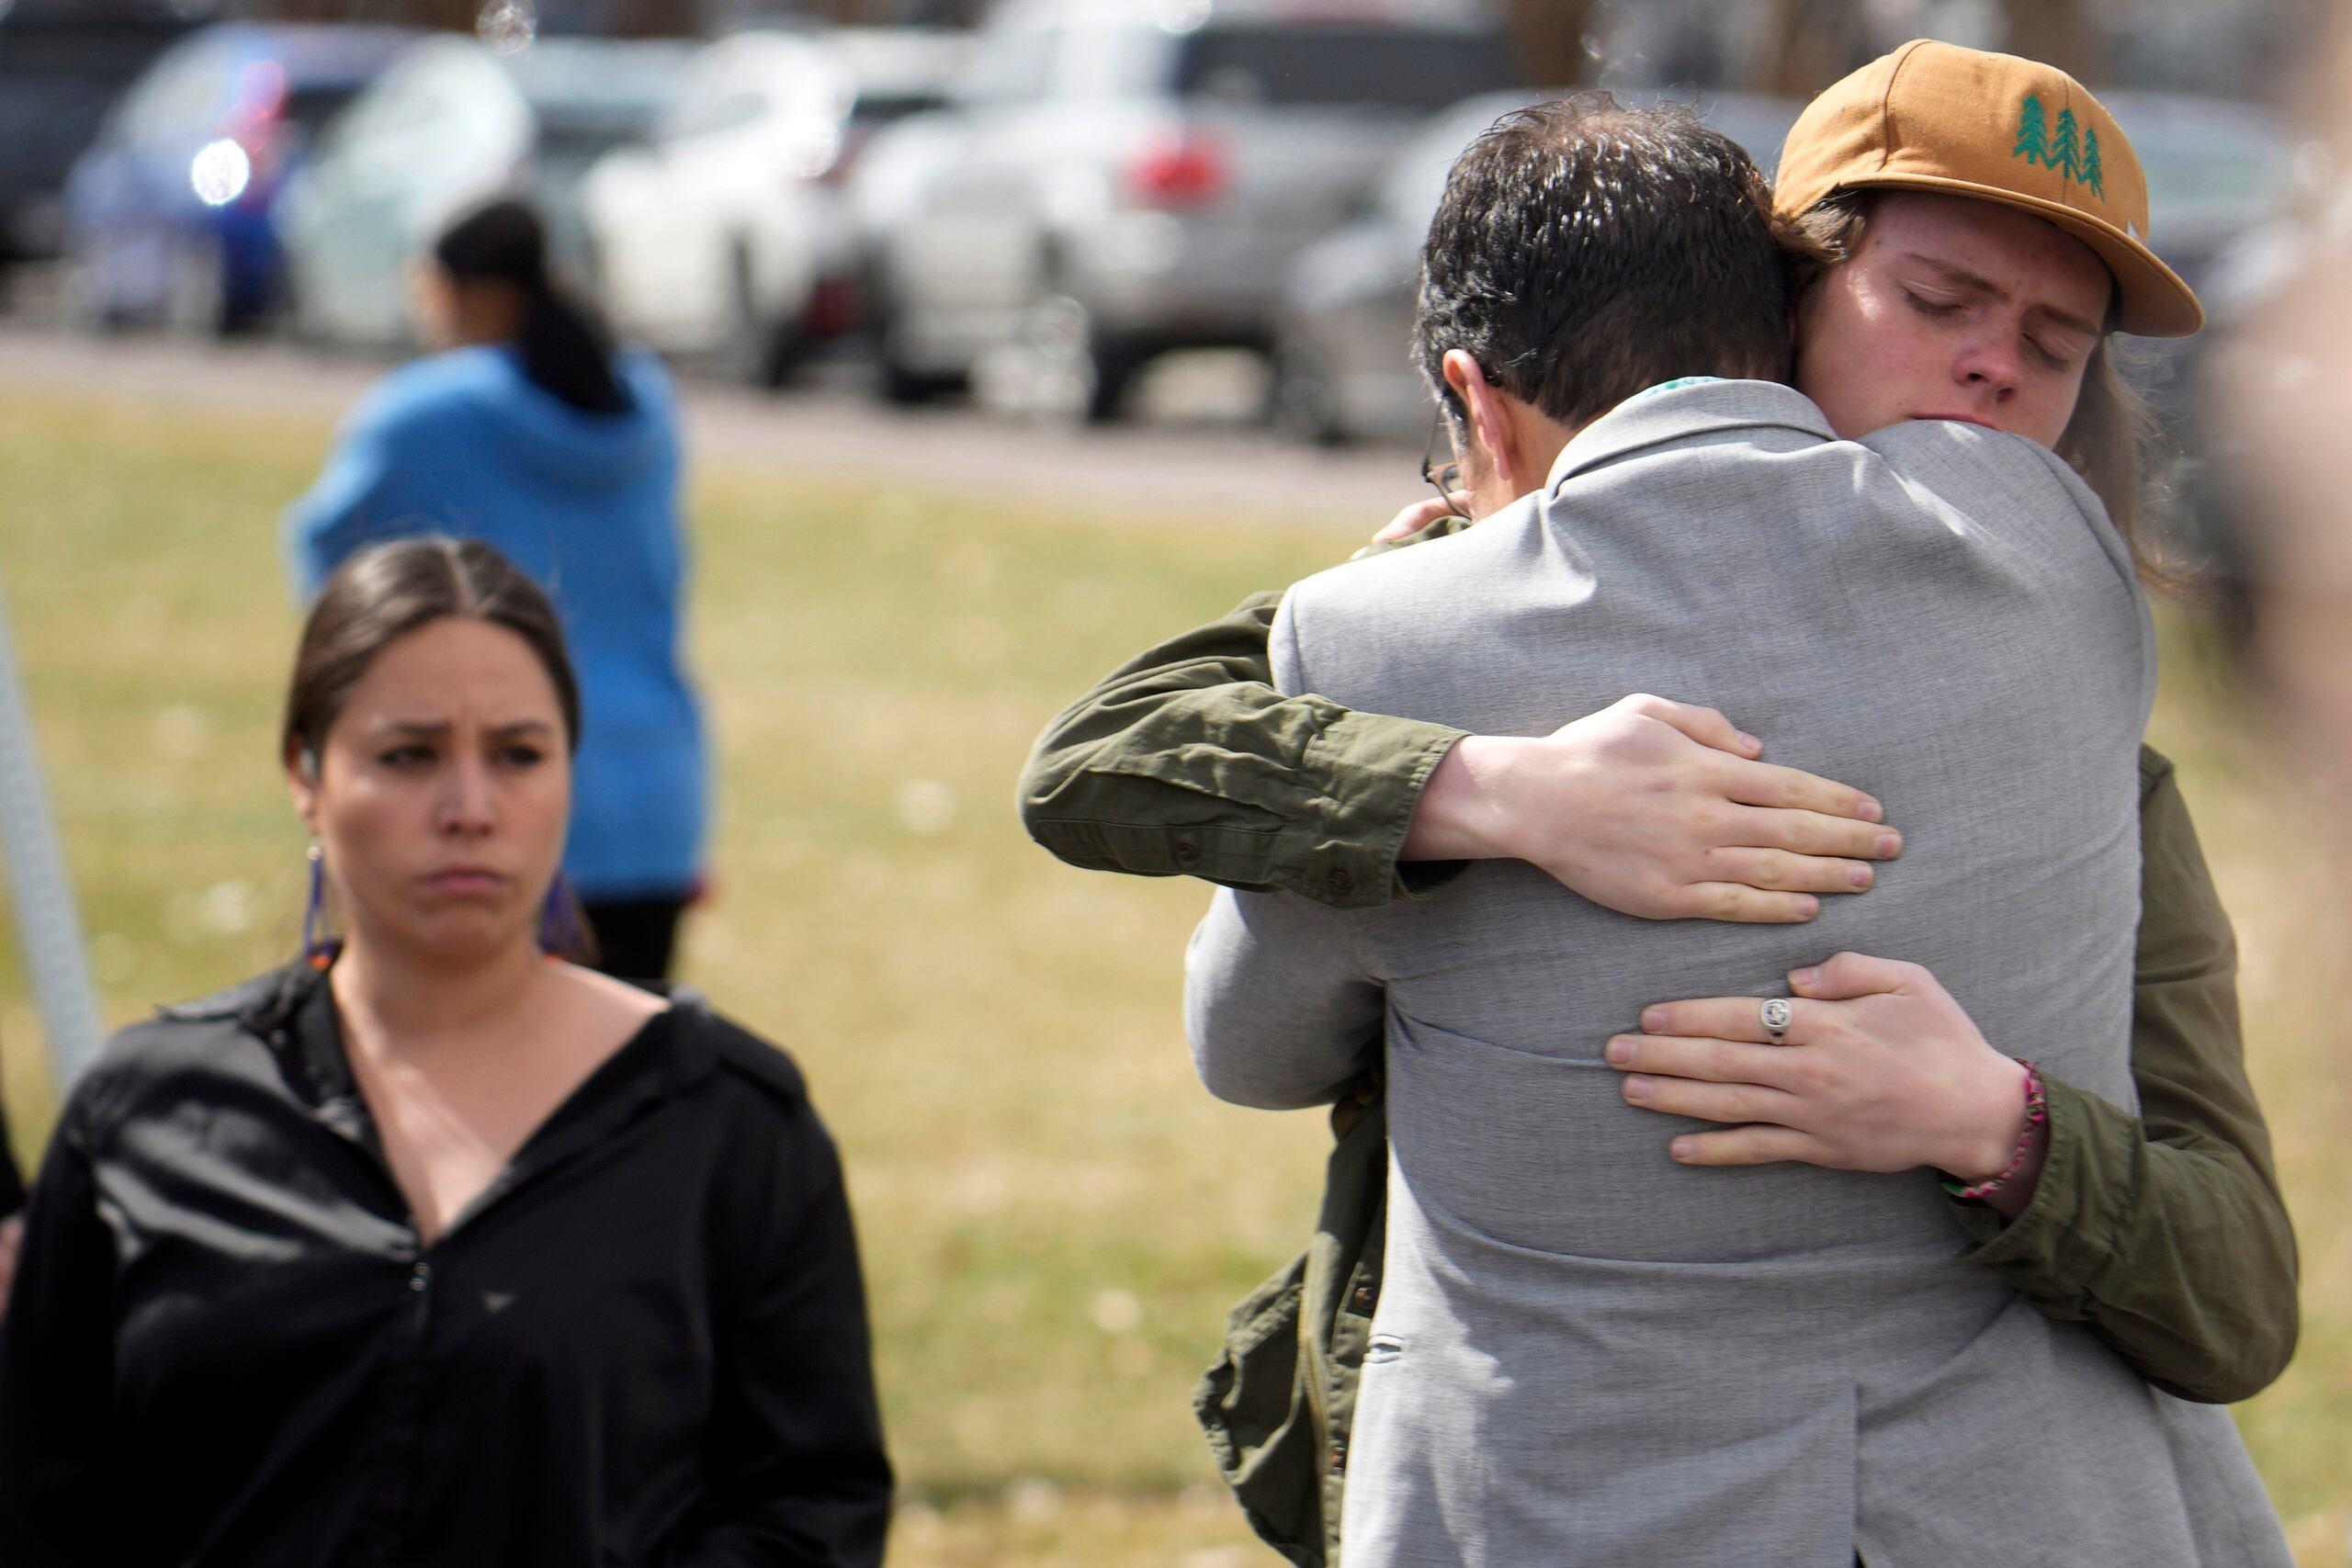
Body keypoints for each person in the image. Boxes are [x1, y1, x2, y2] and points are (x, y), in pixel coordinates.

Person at [1025, 39, 2294, 1446]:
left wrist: (2001, 1127)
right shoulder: (1437, 625)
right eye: (1938, 301)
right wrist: (1497, 785)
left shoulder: (2086, 729)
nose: (1994, 366)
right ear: (1779, 298)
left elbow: (2235, 1296)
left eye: (2057, 347)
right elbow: (1113, 745)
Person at [0, 537, 890, 1567]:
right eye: (409, 755)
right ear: (305, 773)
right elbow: (39, 1501)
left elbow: (810, 1512)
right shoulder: (150, 1115)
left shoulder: (726, 1124)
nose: (471, 809)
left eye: (518, 754)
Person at [285, 197, 707, 983]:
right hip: (657, 789)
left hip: (488, 801)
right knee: (634, 1085)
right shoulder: (645, 402)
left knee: (500, 1088)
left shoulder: (420, 416)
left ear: (460, 292)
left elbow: (331, 583)